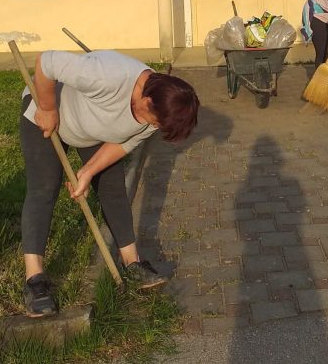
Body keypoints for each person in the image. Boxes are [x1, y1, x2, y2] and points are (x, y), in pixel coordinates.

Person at [19, 49, 200, 317]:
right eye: (156, 123)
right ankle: (34, 281)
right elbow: (47, 62)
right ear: (147, 100)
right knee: (44, 188)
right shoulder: (108, 76)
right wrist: (47, 108)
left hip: (91, 130)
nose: (154, 128)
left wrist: (89, 171)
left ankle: (132, 264)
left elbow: (123, 141)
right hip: (47, 113)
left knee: (113, 186)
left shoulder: (159, 109)